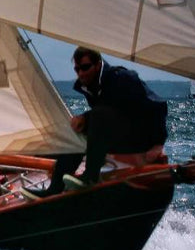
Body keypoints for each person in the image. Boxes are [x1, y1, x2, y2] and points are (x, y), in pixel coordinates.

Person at [39, 47, 168, 194]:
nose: (81, 73)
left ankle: (90, 177)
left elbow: (158, 106)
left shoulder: (122, 78)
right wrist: (84, 120)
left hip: (142, 141)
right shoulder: (89, 86)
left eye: (85, 67)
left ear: (98, 64)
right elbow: (108, 111)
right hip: (117, 137)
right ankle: (55, 187)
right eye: (77, 69)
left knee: (97, 117)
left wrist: (158, 144)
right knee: (77, 128)